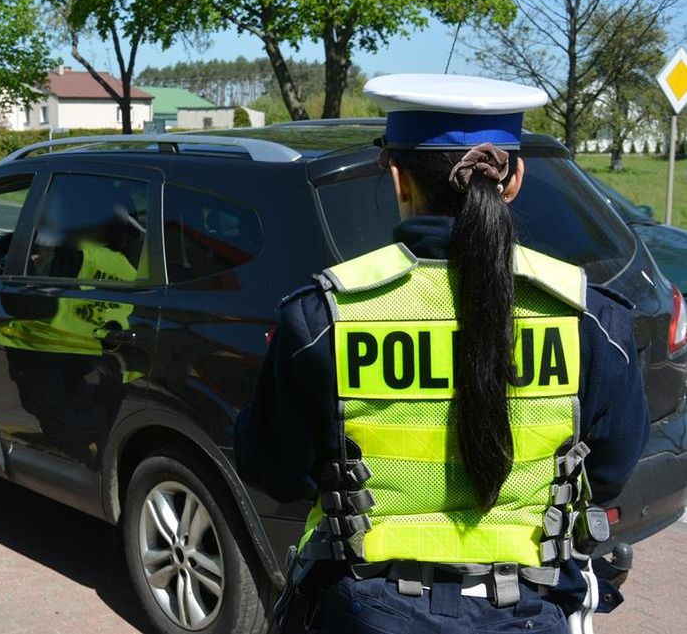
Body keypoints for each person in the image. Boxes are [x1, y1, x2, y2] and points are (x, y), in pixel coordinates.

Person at [234, 74, 650, 633]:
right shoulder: (590, 317)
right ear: (516, 179)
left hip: (365, 612)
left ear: (397, 176)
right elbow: (611, 470)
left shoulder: (322, 316)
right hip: (529, 613)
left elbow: (274, 472)